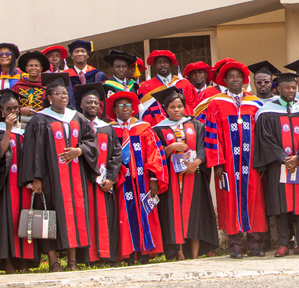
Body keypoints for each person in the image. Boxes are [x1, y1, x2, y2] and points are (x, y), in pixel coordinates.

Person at [21, 73, 98, 272]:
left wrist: (79, 151)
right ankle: (53, 261)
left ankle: (72, 260)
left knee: (75, 216)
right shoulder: (39, 120)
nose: (63, 97)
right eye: (58, 94)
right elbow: (32, 152)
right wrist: (35, 179)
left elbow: (91, 141)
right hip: (50, 180)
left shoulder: (76, 117)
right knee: (50, 217)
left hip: (75, 180)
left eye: (65, 93)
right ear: (49, 97)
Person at [200, 59, 268, 259]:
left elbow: (263, 135)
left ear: (244, 79)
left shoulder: (255, 103)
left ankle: (254, 243)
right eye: (231, 77)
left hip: (252, 164)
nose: (235, 80)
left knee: (254, 200)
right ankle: (235, 245)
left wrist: (261, 161)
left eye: (238, 77)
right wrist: (218, 163)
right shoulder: (216, 104)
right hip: (228, 165)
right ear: (225, 80)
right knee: (229, 202)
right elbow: (211, 136)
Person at [150, 87, 218, 261]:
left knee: (194, 215)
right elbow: (155, 155)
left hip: (193, 177)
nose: (176, 110)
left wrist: (196, 163)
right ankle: (179, 254)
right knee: (174, 216)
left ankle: (194, 255)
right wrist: (170, 148)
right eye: (172, 107)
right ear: (166, 109)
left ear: (184, 107)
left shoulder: (196, 125)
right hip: (173, 180)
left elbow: (204, 147)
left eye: (179, 106)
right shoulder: (158, 129)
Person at [253, 73, 299, 257]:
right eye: (287, 88)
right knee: (281, 206)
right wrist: (282, 158)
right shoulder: (267, 111)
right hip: (278, 166)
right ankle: (283, 244)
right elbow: (265, 139)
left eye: (294, 88)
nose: (291, 91)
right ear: (278, 89)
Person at [107, 91, 166, 261]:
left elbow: (154, 154)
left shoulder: (143, 128)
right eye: (120, 106)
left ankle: (145, 251)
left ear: (133, 109)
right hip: (121, 181)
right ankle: (128, 253)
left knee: (145, 212)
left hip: (142, 179)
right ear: (114, 109)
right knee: (124, 214)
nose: (125, 109)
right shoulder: (109, 129)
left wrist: (154, 178)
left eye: (128, 105)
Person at [73, 83, 122, 266]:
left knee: (105, 218)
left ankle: (107, 256)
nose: (93, 105)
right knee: (86, 219)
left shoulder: (106, 128)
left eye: (95, 102)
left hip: (104, 184)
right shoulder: (75, 127)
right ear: (81, 105)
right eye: (88, 103)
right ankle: (88, 258)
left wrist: (110, 178)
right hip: (83, 183)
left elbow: (116, 155)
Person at [0, 90, 38, 271]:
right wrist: (8, 129)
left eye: (16, 108)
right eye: (9, 109)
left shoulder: (25, 130)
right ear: (2, 111)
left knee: (24, 218)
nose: (13, 112)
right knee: (7, 221)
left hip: (24, 183)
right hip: (6, 183)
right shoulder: (2, 129)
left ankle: (25, 259)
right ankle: (7, 261)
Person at [139, 50, 198, 125]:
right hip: (159, 127)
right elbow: (146, 111)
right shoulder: (146, 86)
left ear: (171, 64)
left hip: (184, 124)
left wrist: (182, 120)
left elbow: (192, 106)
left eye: (166, 62)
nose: (162, 64)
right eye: (159, 62)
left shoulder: (184, 84)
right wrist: (164, 123)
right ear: (154, 65)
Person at [65, 39, 101, 109]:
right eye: (76, 51)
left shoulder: (98, 75)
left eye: (83, 51)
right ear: (72, 56)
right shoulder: (66, 76)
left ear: (87, 56)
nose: (80, 54)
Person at [12, 50, 47, 117]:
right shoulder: (18, 86)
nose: (33, 68)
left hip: (42, 121)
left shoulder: (46, 87)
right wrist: (20, 110)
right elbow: (10, 106)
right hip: (21, 121)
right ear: (26, 68)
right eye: (30, 65)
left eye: (36, 65)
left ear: (41, 68)